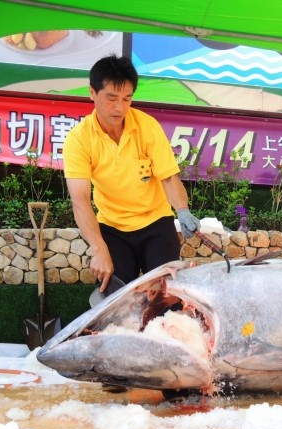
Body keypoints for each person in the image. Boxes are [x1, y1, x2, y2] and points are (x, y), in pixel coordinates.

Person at [63, 54, 201, 293]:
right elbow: (80, 200)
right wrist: (99, 249)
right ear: (92, 93)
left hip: (156, 222)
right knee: (115, 297)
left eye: (127, 99)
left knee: (165, 294)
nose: (120, 107)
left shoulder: (147, 127)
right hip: (112, 227)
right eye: (111, 98)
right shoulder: (78, 139)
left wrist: (182, 209)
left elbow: (168, 177)